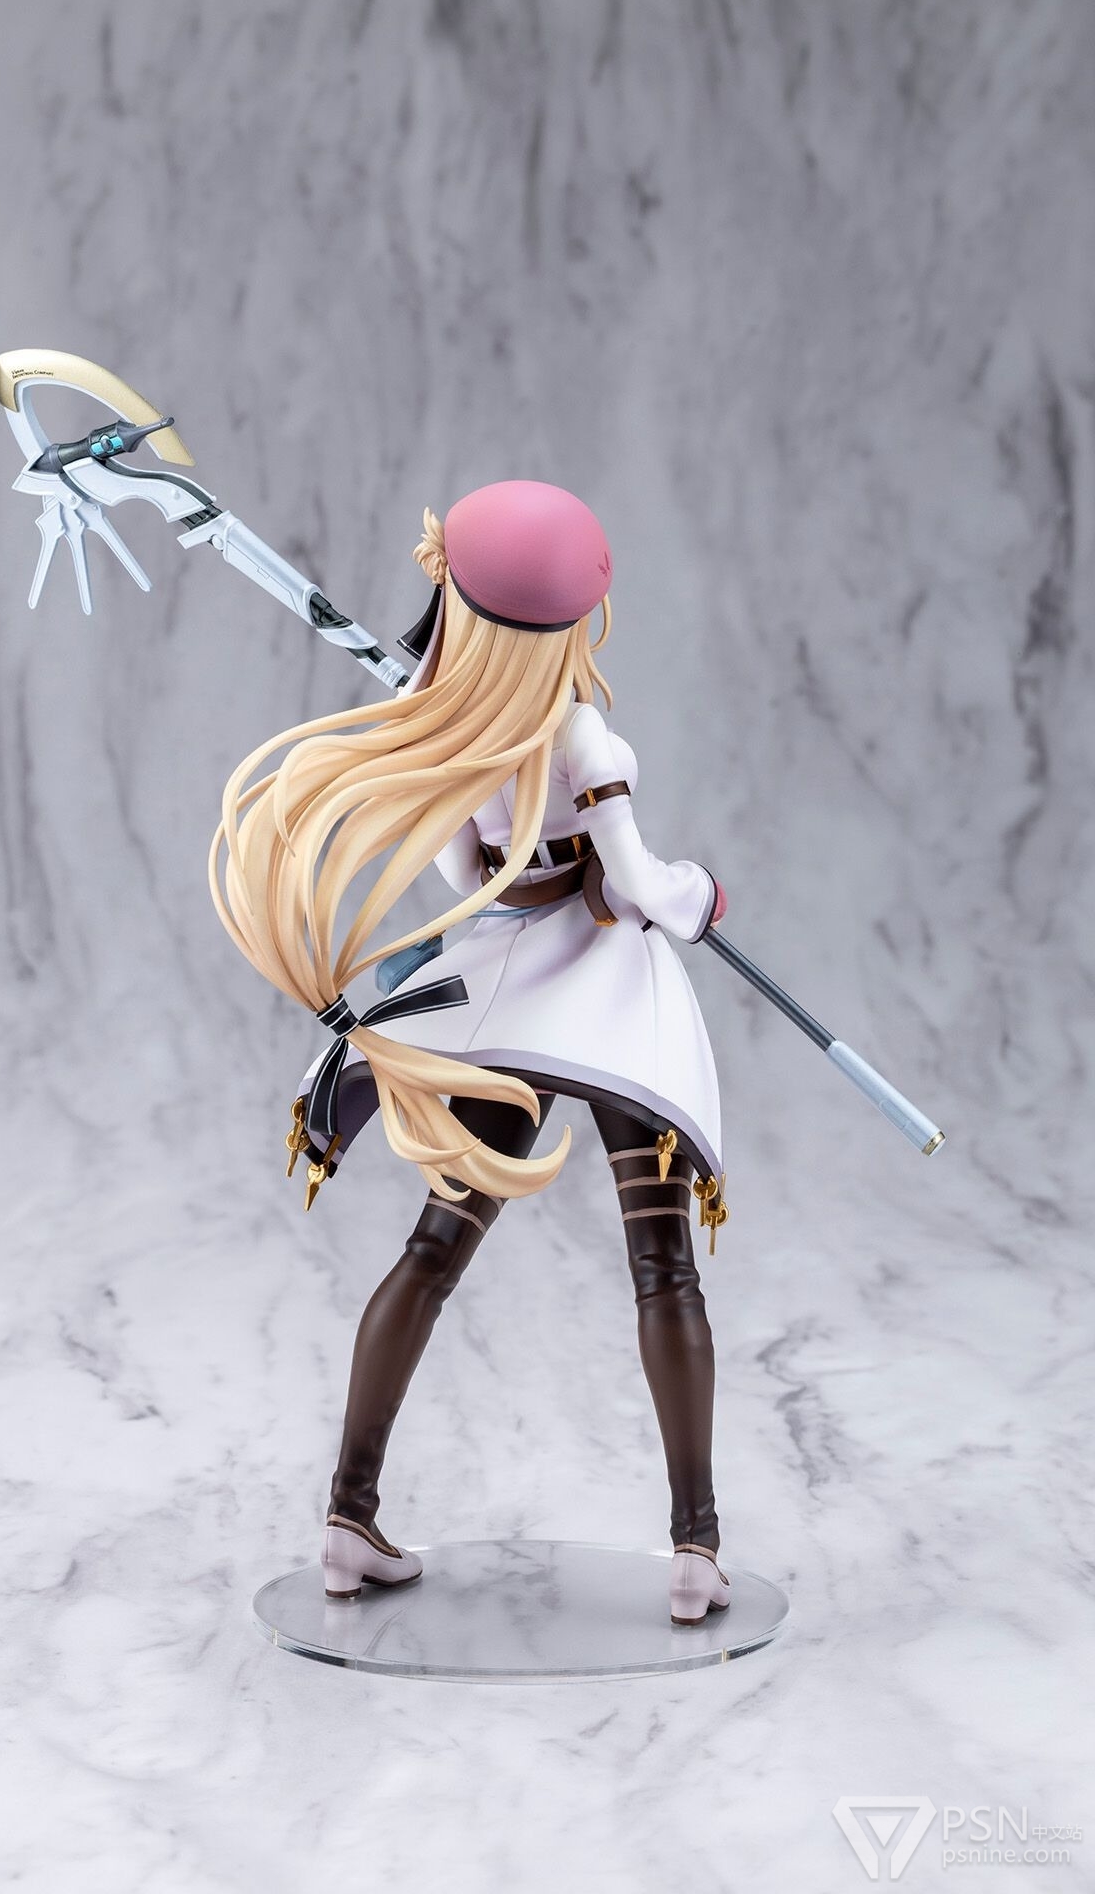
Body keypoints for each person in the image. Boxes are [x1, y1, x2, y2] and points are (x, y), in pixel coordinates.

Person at [210, 481, 731, 1626]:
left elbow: (463, 877)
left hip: (504, 1001)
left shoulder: (443, 720)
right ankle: (694, 1548)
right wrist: (698, 895)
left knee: (433, 1248)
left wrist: (533, 868)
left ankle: (346, 1519)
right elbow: (640, 888)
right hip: (610, 1008)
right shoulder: (580, 734)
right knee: (662, 1269)